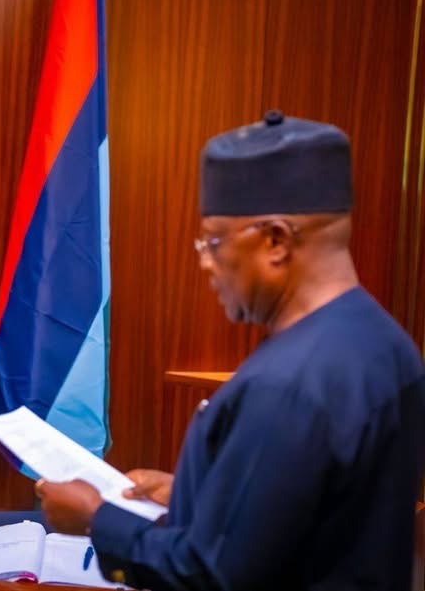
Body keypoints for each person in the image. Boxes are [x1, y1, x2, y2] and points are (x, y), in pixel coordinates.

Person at [36, 111, 425, 590]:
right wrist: (194, 495)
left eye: (214, 241)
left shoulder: (287, 385)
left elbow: (210, 576)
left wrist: (97, 519)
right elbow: (324, 514)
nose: (205, 262)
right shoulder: (386, 343)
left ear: (276, 241)